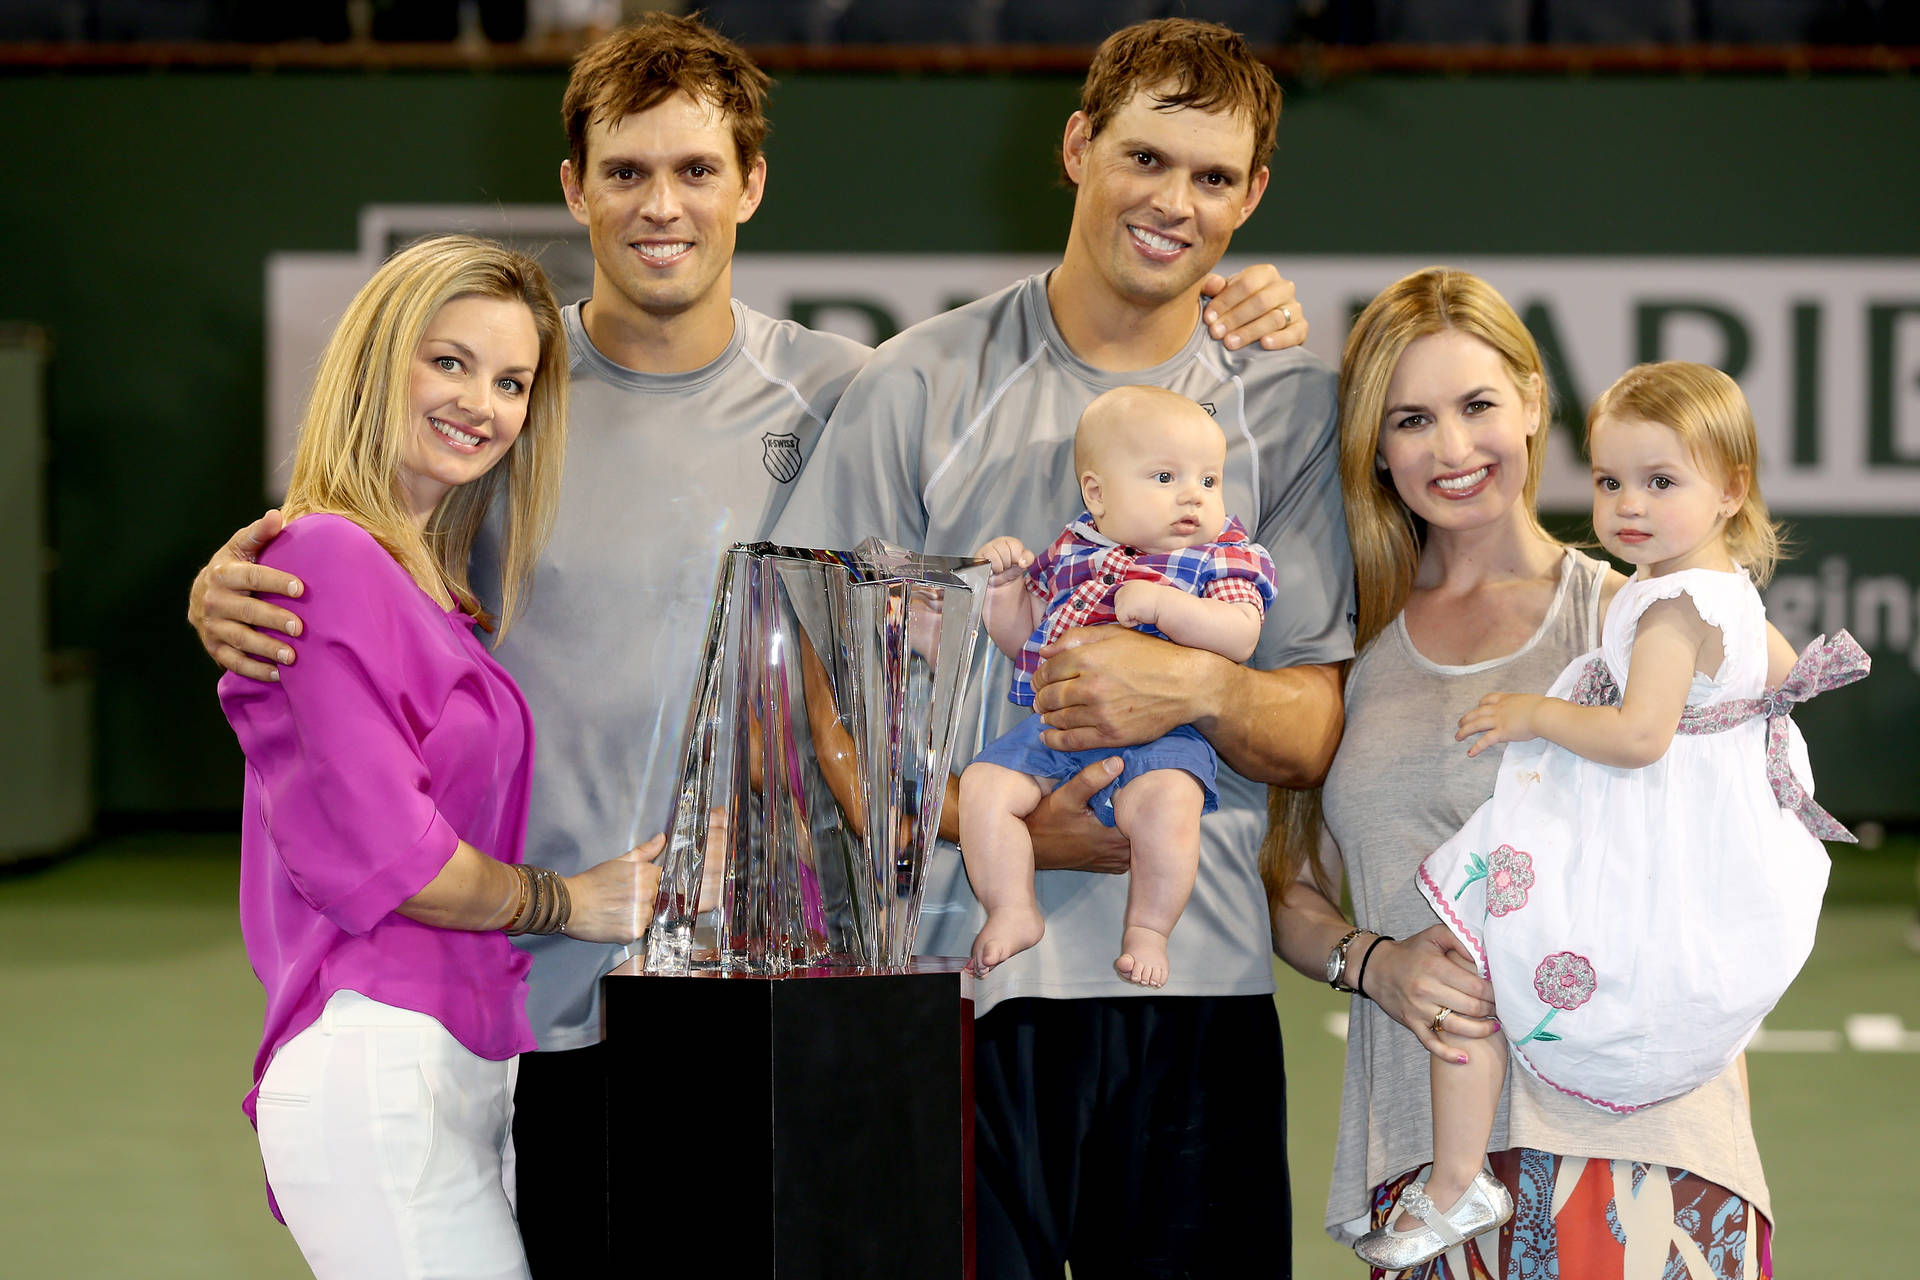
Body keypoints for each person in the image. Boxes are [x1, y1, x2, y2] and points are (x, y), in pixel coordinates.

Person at [185, 14, 1309, 1271]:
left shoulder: (848, 390)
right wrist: (234, 576)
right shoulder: (511, 397)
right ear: (575, 187)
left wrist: (1239, 304)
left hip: (774, 1015)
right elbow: (359, 540)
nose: (662, 205)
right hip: (535, 1004)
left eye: (698, 170)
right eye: (626, 171)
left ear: (752, 184)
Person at [775, 19, 1350, 1277]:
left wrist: (1192, 678)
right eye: (1145, 156)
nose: (1173, 201)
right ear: (1079, 145)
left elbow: (1311, 722)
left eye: (1213, 176)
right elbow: (808, 678)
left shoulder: (1290, 409)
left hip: (1195, 999)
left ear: (1253, 194)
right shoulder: (919, 383)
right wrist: (993, 826)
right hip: (965, 995)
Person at [1268, 269, 1802, 1279]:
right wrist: (1372, 961)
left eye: (1477, 406)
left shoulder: (1632, 611)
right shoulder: (1343, 648)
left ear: (1531, 404)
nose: (1453, 447)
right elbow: (1289, 887)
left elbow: (1751, 796)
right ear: (1374, 449)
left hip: (1639, 1156)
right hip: (1427, 1174)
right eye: (1412, 418)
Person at [1353, 361, 1866, 1269]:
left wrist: (1532, 714)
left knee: (1472, 941)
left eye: (1660, 481)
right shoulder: (1716, 593)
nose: (1628, 504)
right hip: (1683, 849)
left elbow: (1637, 737)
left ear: (1731, 488)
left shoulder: (1668, 603)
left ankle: (1457, 1179)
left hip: (1636, 843)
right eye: (1608, 481)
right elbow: (1778, 677)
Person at [218, 234, 661, 1279]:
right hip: (377, 1052)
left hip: (461, 1061)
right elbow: (397, 857)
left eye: (510, 380)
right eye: (449, 361)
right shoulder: (322, 557)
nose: (482, 403)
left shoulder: (436, 591)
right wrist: (572, 900)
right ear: (380, 360)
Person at [961, 385, 1276, 988]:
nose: (1193, 495)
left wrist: (1167, 606)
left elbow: (1240, 635)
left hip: (1165, 737)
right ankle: (1012, 907)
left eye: (1210, 481)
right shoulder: (1073, 552)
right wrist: (1002, 594)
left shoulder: (1221, 557)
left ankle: (1149, 928)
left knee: (1169, 809)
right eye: (1165, 476)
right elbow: (1028, 643)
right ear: (1097, 494)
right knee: (983, 786)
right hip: (1057, 730)